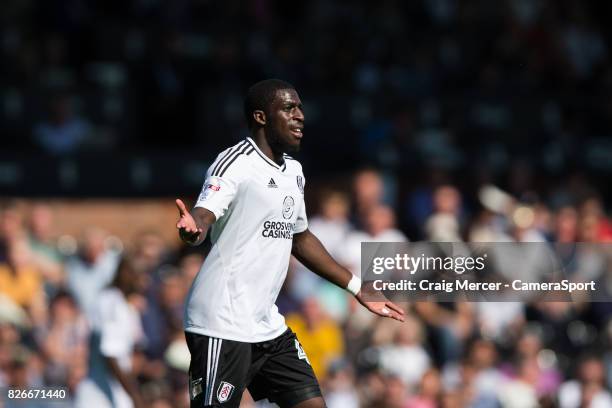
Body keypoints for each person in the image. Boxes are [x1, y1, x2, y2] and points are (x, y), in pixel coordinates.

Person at [175, 79, 405, 408]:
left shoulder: (293, 171)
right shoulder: (235, 164)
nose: (300, 116)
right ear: (261, 117)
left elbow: (300, 238)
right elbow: (203, 214)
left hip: (266, 324)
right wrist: (193, 228)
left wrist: (357, 286)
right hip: (221, 321)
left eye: (299, 108)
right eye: (289, 108)